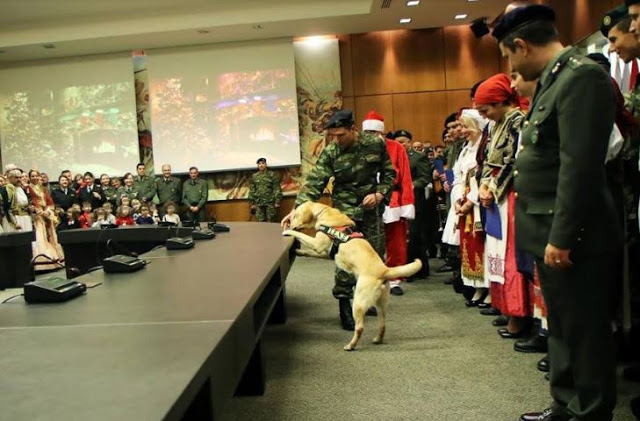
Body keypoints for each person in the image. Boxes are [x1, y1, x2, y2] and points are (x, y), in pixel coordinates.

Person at [494, 5, 621, 421]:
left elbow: (579, 166)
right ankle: (567, 404)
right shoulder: (554, 81)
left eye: (509, 56)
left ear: (521, 45)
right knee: (564, 324)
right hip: (548, 228)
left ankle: (591, 411)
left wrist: (563, 236)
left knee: (585, 331)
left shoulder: (581, 77)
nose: (510, 65)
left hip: (573, 234)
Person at [280, 109, 395, 331]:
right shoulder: (331, 152)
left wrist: (380, 194)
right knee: (344, 260)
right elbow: (314, 183)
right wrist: (296, 211)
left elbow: (389, 174)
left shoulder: (376, 144)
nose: (336, 140)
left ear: (353, 129)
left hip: (370, 211)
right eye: (333, 136)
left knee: (374, 257)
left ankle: (368, 298)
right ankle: (344, 304)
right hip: (342, 215)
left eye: (341, 135)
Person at [474, 73, 529, 337]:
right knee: (497, 252)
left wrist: (493, 188)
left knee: (510, 255)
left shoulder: (517, 121)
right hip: (495, 197)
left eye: (485, 110)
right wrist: (485, 185)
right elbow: (487, 161)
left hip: (509, 196)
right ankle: (505, 306)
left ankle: (518, 313)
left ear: (498, 103)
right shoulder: (496, 124)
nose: (484, 116)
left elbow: (513, 162)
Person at [362, 111, 415, 296]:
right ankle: (373, 277)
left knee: (396, 240)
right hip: (367, 200)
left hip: (393, 200)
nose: (370, 137)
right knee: (369, 241)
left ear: (381, 133)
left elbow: (406, 177)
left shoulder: (396, 148)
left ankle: (395, 279)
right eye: (367, 133)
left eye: (374, 133)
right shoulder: (357, 149)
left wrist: (407, 202)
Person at [452, 112, 487, 306]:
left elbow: (483, 177)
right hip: (464, 204)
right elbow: (458, 177)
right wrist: (458, 200)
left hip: (478, 205)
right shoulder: (465, 149)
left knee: (482, 246)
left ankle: (487, 288)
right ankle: (476, 286)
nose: (463, 131)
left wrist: (470, 202)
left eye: (466, 126)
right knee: (468, 246)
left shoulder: (483, 147)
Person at [395, 129, 432, 282]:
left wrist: (411, 185)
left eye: (403, 142)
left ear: (409, 142)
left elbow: (425, 177)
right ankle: (404, 267)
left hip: (415, 200)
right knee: (401, 234)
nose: (400, 145)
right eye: (397, 142)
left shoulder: (418, 157)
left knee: (415, 234)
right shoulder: (392, 158)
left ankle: (419, 269)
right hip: (398, 201)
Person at [26, 169, 64, 271]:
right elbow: (30, 203)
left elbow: (49, 202)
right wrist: (38, 211)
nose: (34, 178)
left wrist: (47, 211)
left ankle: (54, 259)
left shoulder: (43, 189)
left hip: (46, 216)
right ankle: (41, 262)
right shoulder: (28, 189)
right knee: (40, 237)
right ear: (29, 178)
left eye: (36, 176)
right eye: (32, 176)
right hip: (37, 217)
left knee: (50, 236)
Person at [248, 158, 282, 222]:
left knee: (271, 221)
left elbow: (276, 188)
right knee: (261, 222)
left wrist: (278, 200)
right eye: (259, 164)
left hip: (270, 202)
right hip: (259, 202)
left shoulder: (272, 175)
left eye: (263, 163)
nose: (261, 165)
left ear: (266, 164)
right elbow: (252, 190)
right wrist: (252, 203)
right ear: (258, 165)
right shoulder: (254, 176)